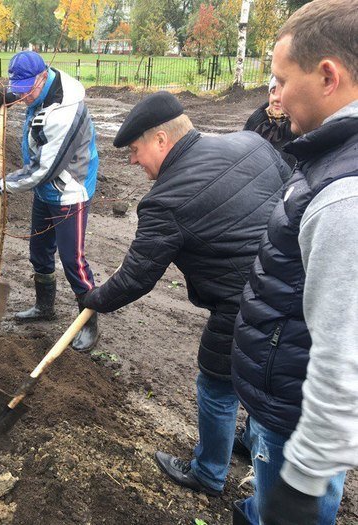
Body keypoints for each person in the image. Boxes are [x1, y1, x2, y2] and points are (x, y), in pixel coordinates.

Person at [80, 91, 291, 497]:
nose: (133, 160)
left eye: (136, 150)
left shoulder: (165, 200)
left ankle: (209, 473)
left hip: (242, 305)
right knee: (269, 384)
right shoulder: (251, 143)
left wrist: (92, 299)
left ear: (162, 140)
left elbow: (136, 279)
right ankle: (249, 445)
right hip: (288, 290)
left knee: (216, 385)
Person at [231, 0, 358, 524]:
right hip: (283, 398)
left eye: (282, 80)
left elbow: (342, 352)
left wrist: (303, 481)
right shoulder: (330, 157)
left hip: (296, 414)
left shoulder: (344, 196)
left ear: (327, 75)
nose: (274, 98)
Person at [0, 51, 100, 352]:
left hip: (69, 189)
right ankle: (45, 306)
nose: (23, 96)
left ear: (43, 77)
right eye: (19, 89)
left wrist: (5, 184)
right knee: (39, 250)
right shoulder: (38, 89)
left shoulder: (64, 111)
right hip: (45, 188)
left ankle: (88, 321)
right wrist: (10, 96)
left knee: (72, 260)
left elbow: (44, 169)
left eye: (28, 89)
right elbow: (26, 101)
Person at [243, 75, 297, 167]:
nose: (276, 99)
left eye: (283, 93)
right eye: (273, 92)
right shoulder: (255, 123)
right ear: (269, 96)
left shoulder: (298, 131)